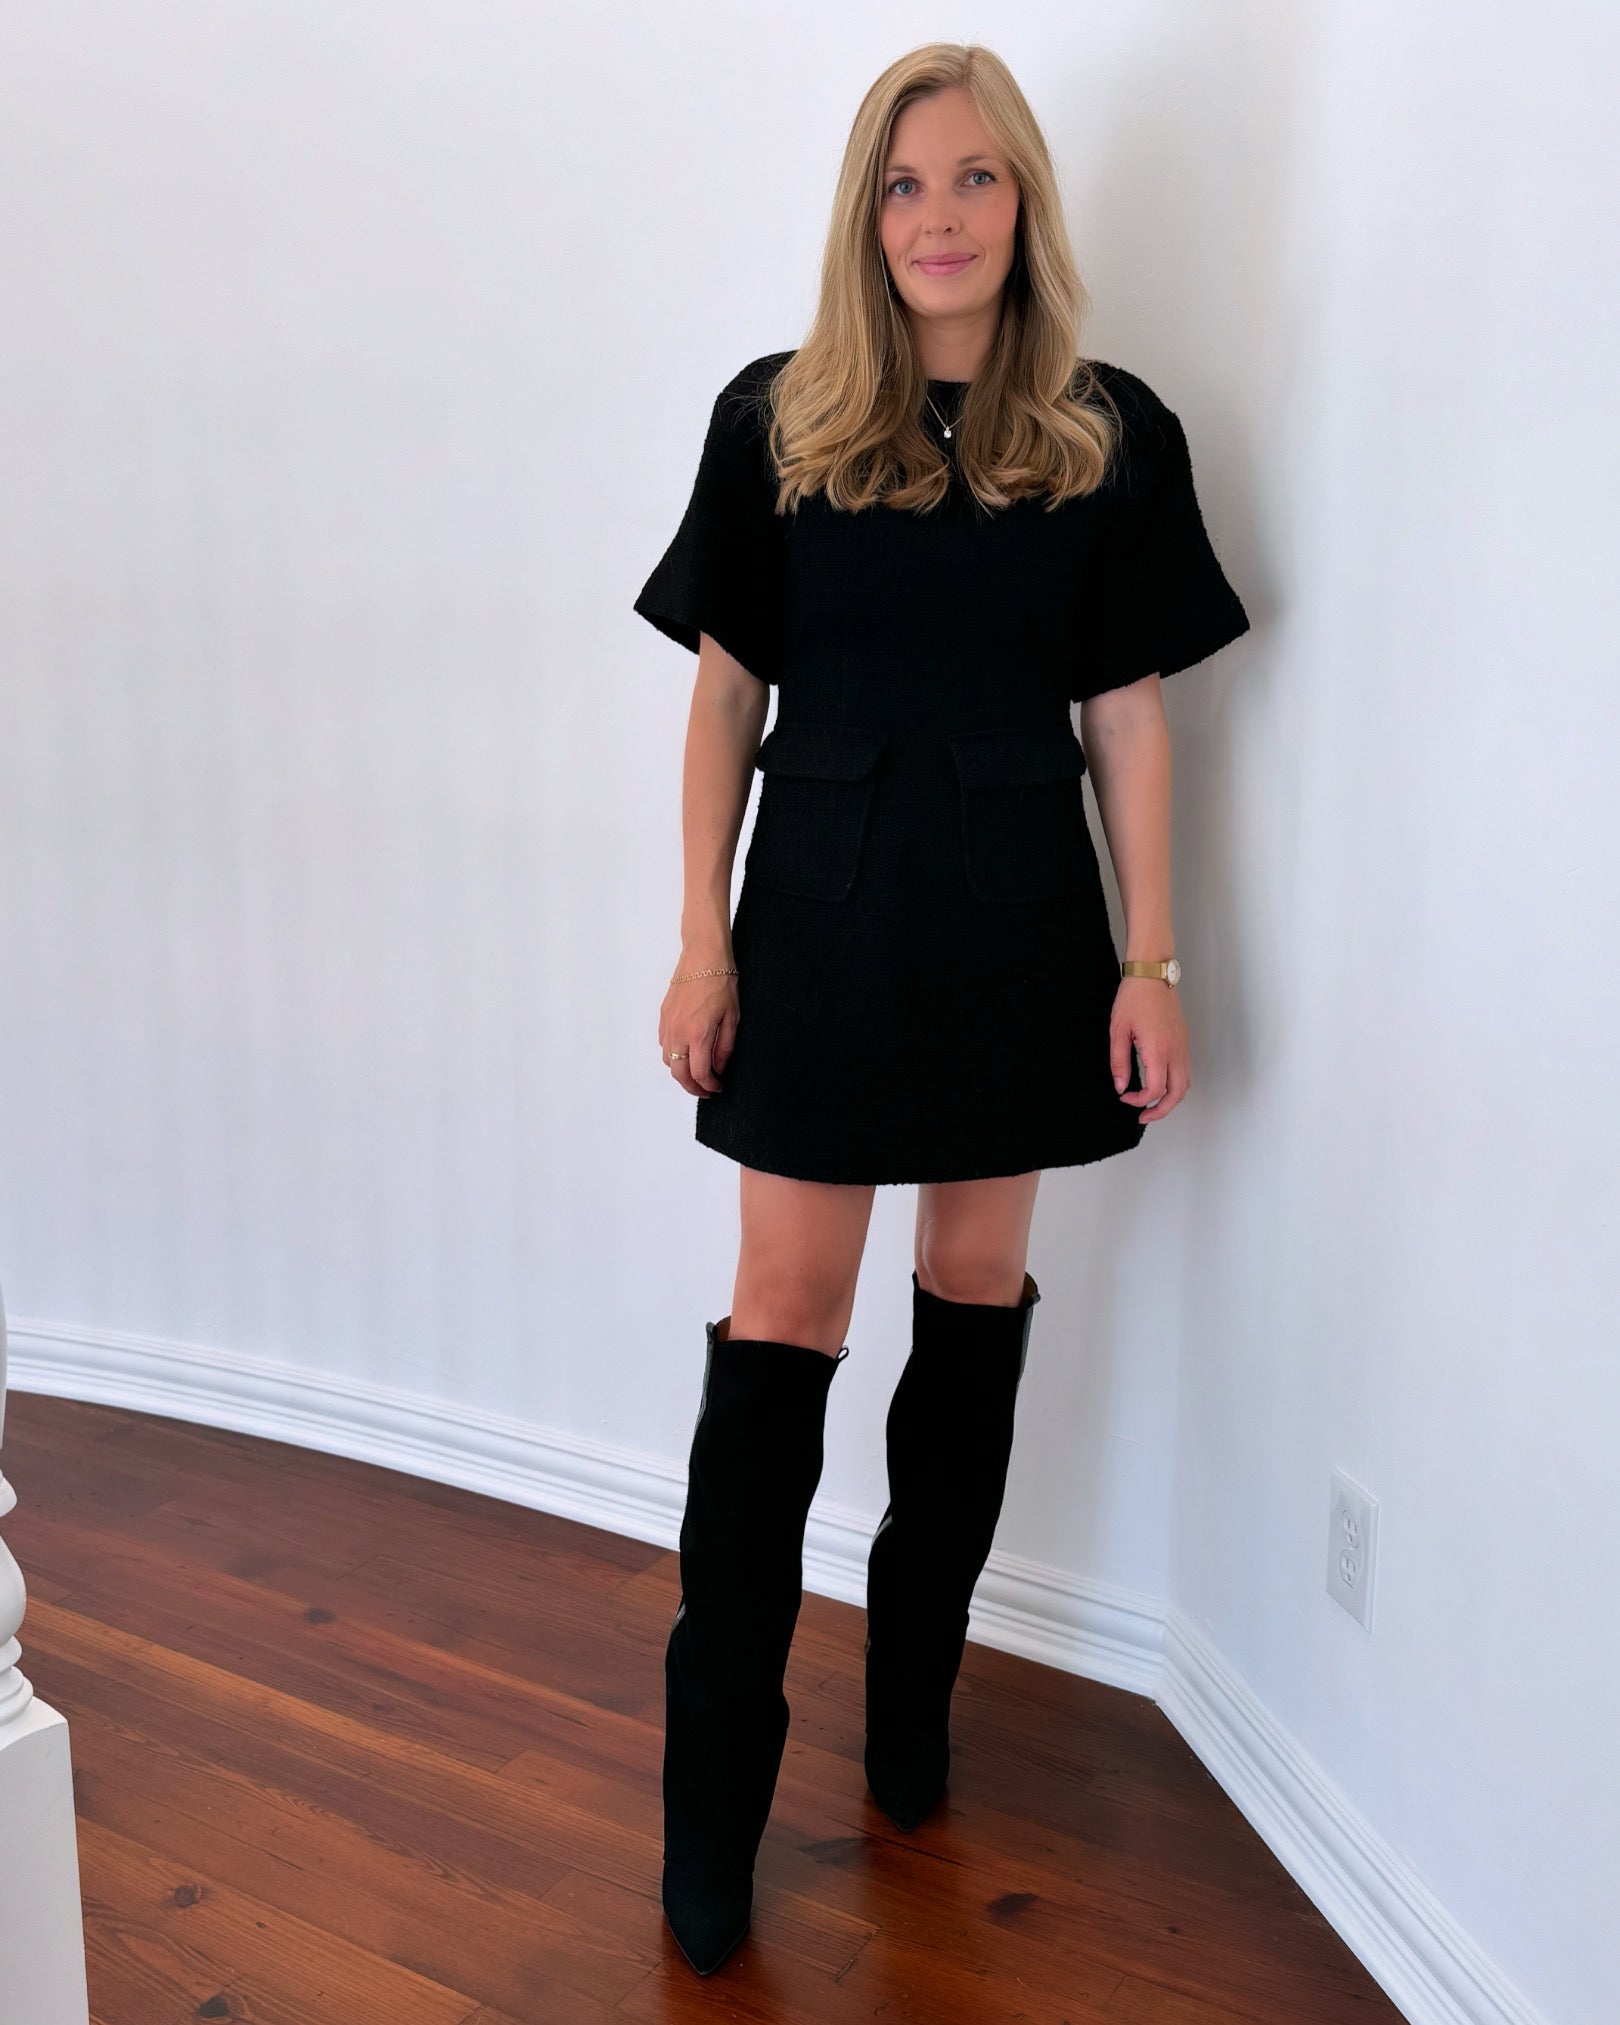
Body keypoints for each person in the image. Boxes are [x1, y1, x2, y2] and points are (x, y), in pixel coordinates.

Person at [631, 42, 1250, 1978]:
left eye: (975, 178)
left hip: (1013, 930)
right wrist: (702, 940)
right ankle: (712, 1811)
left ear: (1024, 203)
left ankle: (913, 1710)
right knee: (781, 1332)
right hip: (816, 924)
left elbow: (1127, 714)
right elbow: (723, 694)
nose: (940, 216)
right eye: (904, 184)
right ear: (865, 215)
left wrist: (1153, 960)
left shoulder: (1108, 432)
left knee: (972, 1311)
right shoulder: (780, 416)